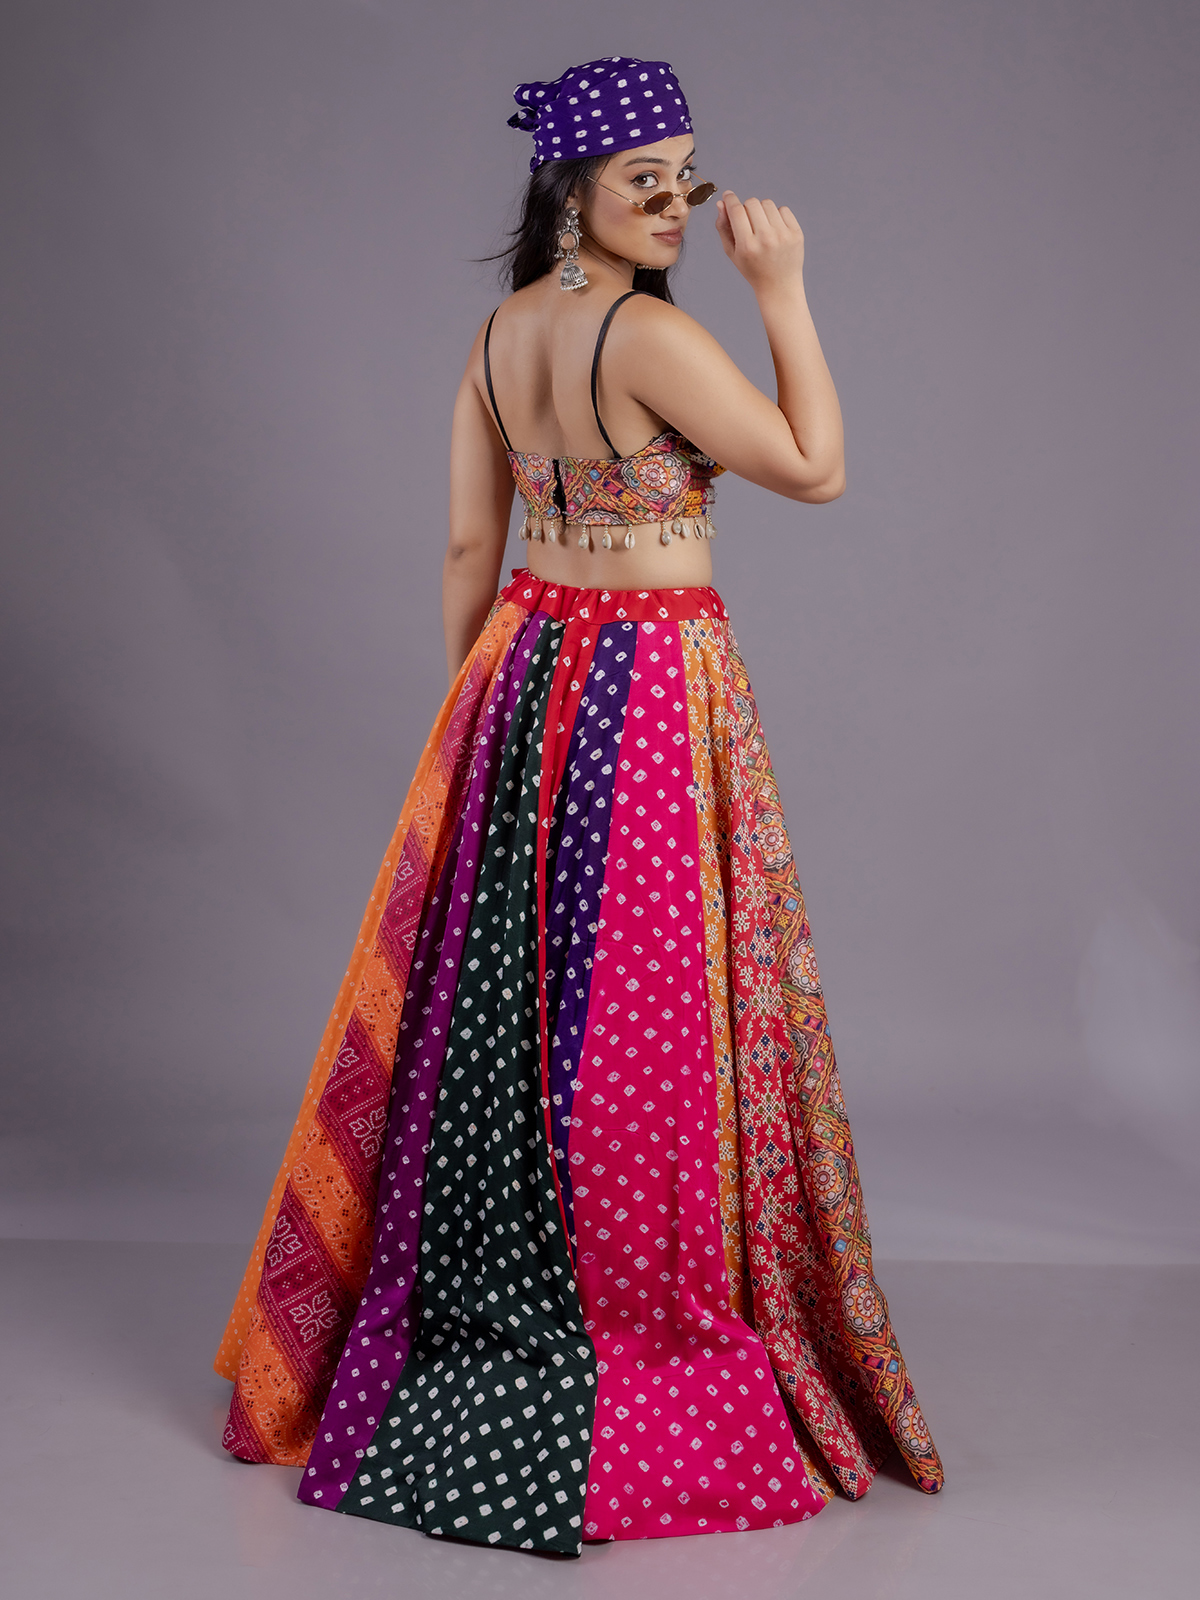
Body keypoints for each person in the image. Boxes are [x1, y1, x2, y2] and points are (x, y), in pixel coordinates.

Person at [214, 54, 944, 1554]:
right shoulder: (646, 335)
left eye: (686, 173)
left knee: (515, 1009)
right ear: (571, 195)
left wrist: (472, 723)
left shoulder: (499, 334)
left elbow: (464, 550)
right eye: (643, 182)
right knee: (647, 1012)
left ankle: (491, 1301)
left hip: (524, 667)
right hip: (651, 680)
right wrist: (786, 290)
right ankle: (625, 1322)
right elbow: (815, 469)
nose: (678, 205)